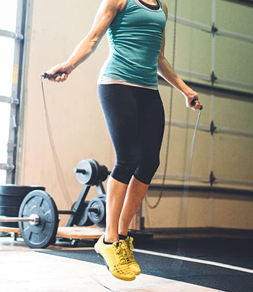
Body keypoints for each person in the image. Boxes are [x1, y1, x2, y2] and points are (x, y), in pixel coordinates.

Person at [45, 0, 202, 281]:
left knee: (149, 162)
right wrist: (69, 64)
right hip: (116, 84)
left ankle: (122, 237)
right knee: (128, 158)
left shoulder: (162, 8)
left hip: (147, 89)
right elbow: (93, 38)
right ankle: (108, 241)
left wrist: (185, 90)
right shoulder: (119, 0)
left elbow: (159, 59)